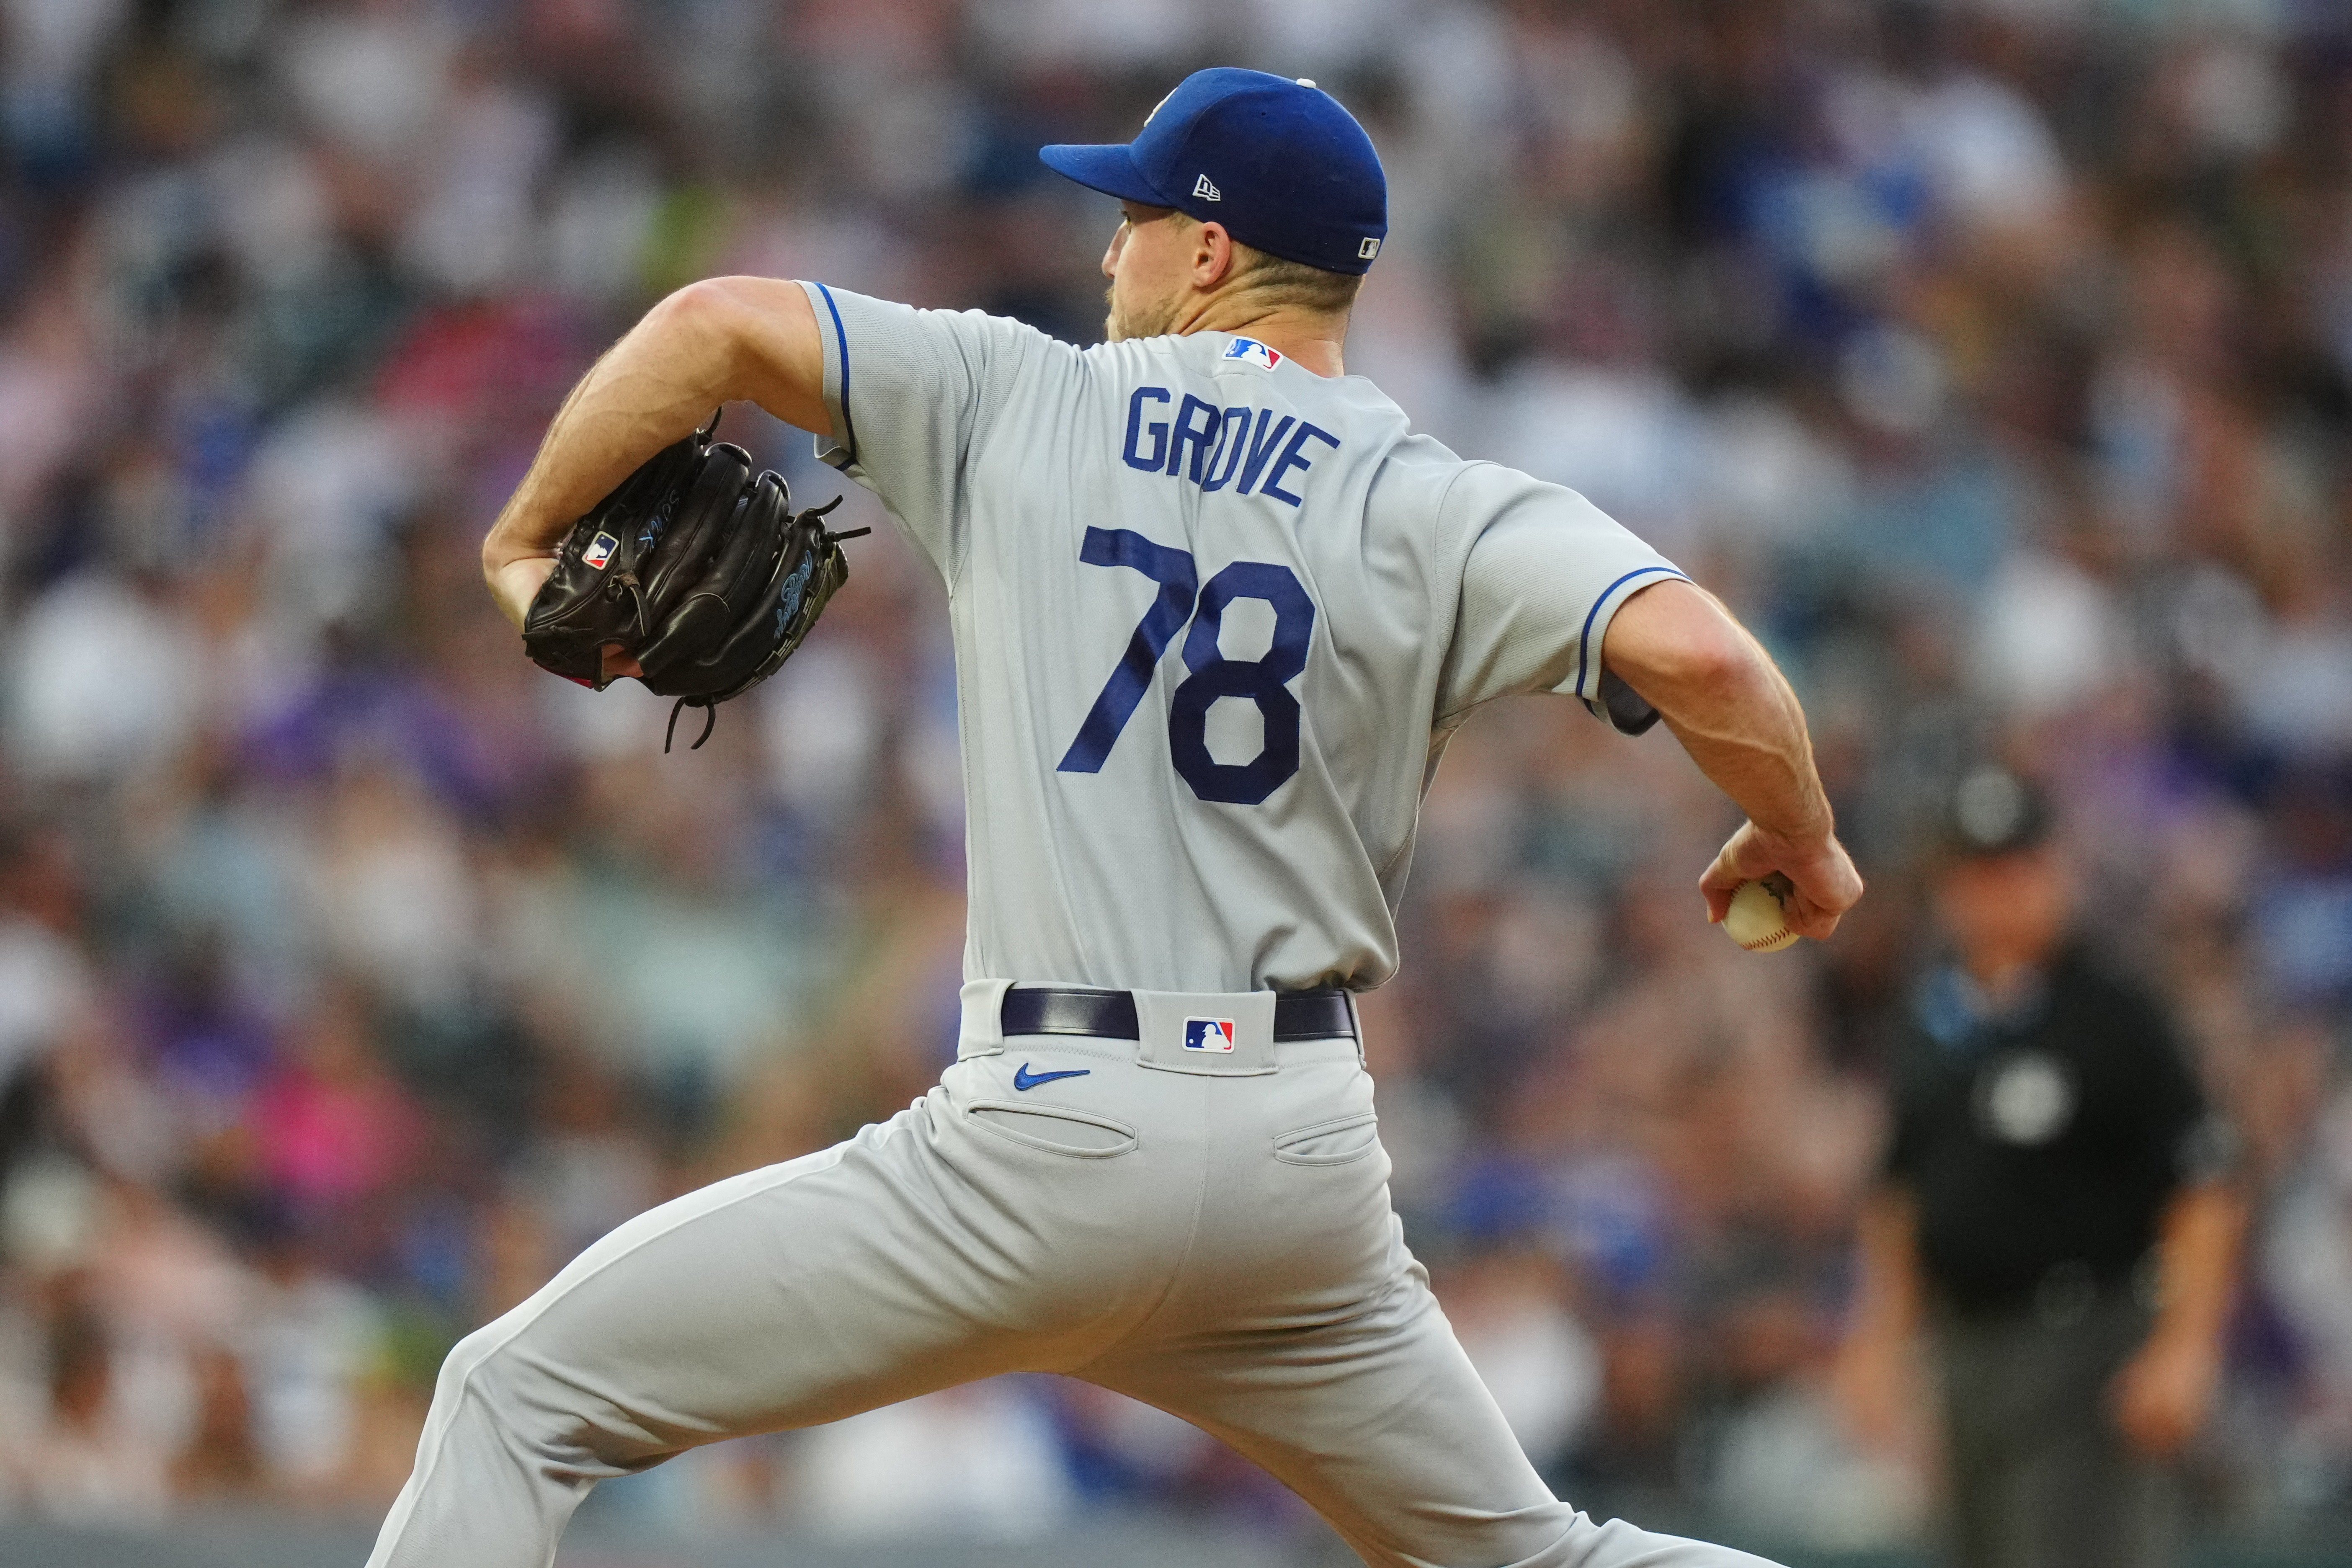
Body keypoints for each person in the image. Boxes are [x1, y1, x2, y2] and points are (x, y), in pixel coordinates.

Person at [368, 68, 1863, 1568]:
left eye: (1134, 218)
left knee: (514, 1394)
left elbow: (712, 328)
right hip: (1299, 1171)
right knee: (1533, 1556)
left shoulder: (1021, 397)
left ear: (1208, 252)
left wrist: (521, 535)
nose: (1107, 252)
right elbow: (1702, 657)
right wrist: (1798, 835)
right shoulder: (1435, 499)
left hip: (1047, 1137)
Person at [1834, 766, 2244, 1568]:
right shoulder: (1933, 1018)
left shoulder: (2114, 1015)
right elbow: (1902, 1193)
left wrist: (2186, 1347)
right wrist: (1877, 1340)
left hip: (2086, 1348)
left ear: (2056, 870)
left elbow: (2204, 1185)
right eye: (1975, 874)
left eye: (2016, 868)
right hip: (1966, 1353)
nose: (1998, 894)